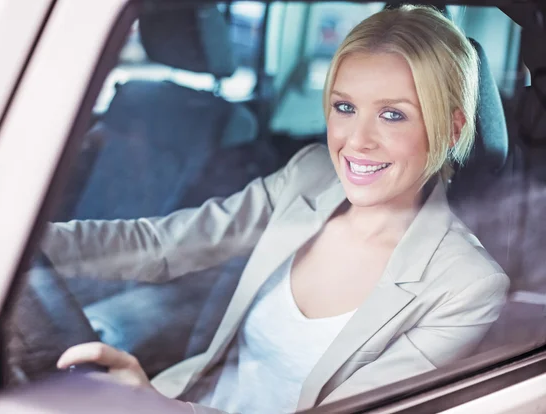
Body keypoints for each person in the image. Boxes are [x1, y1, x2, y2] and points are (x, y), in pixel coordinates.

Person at [42, 5, 509, 414]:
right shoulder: (308, 175)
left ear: (451, 129)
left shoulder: (466, 287)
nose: (356, 141)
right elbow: (162, 245)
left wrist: (160, 408)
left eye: (393, 114)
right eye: (345, 107)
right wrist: (26, 246)